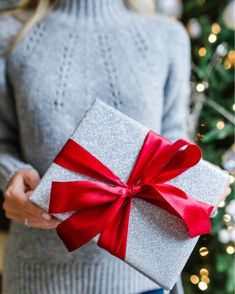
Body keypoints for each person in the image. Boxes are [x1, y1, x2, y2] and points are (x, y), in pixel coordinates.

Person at [0, 0, 231, 293]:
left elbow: (173, 137)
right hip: (38, 277)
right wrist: (12, 173)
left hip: (141, 281)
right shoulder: (8, 34)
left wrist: (196, 185)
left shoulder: (166, 35)